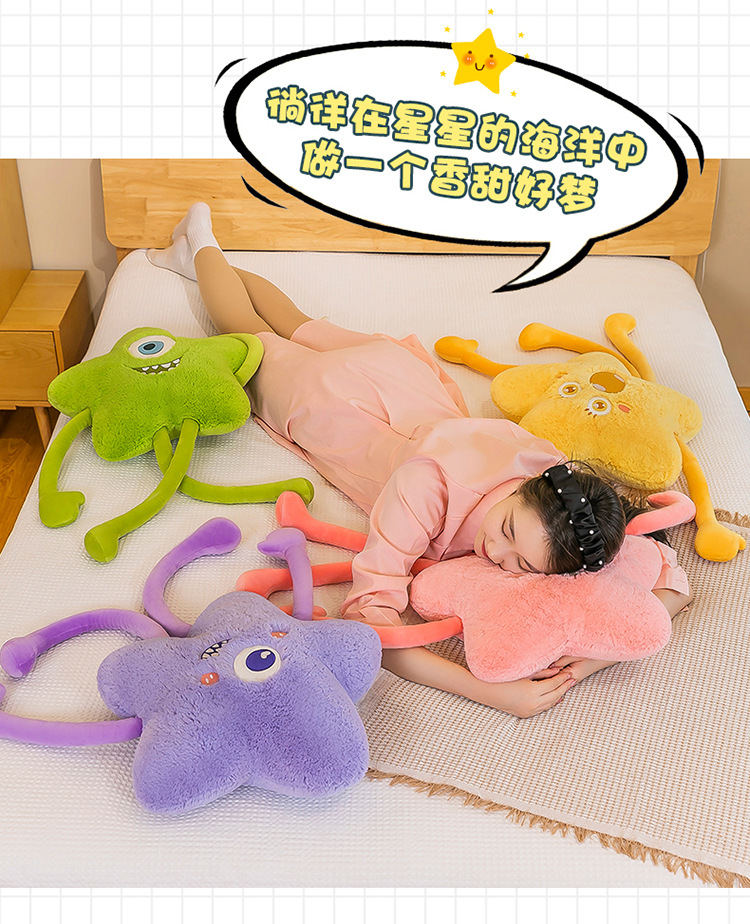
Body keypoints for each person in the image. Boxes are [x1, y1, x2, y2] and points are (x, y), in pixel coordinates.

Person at [148, 203, 692, 718]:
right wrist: (488, 690)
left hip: (397, 376)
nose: (496, 552)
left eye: (523, 565)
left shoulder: (556, 479)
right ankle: (201, 243)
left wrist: (587, 660)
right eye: (507, 530)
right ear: (527, 491)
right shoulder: (423, 490)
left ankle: (196, 258)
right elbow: (369, 623)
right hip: (333, 404)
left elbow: (670, 583)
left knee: (294, 321)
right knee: (247, 332)